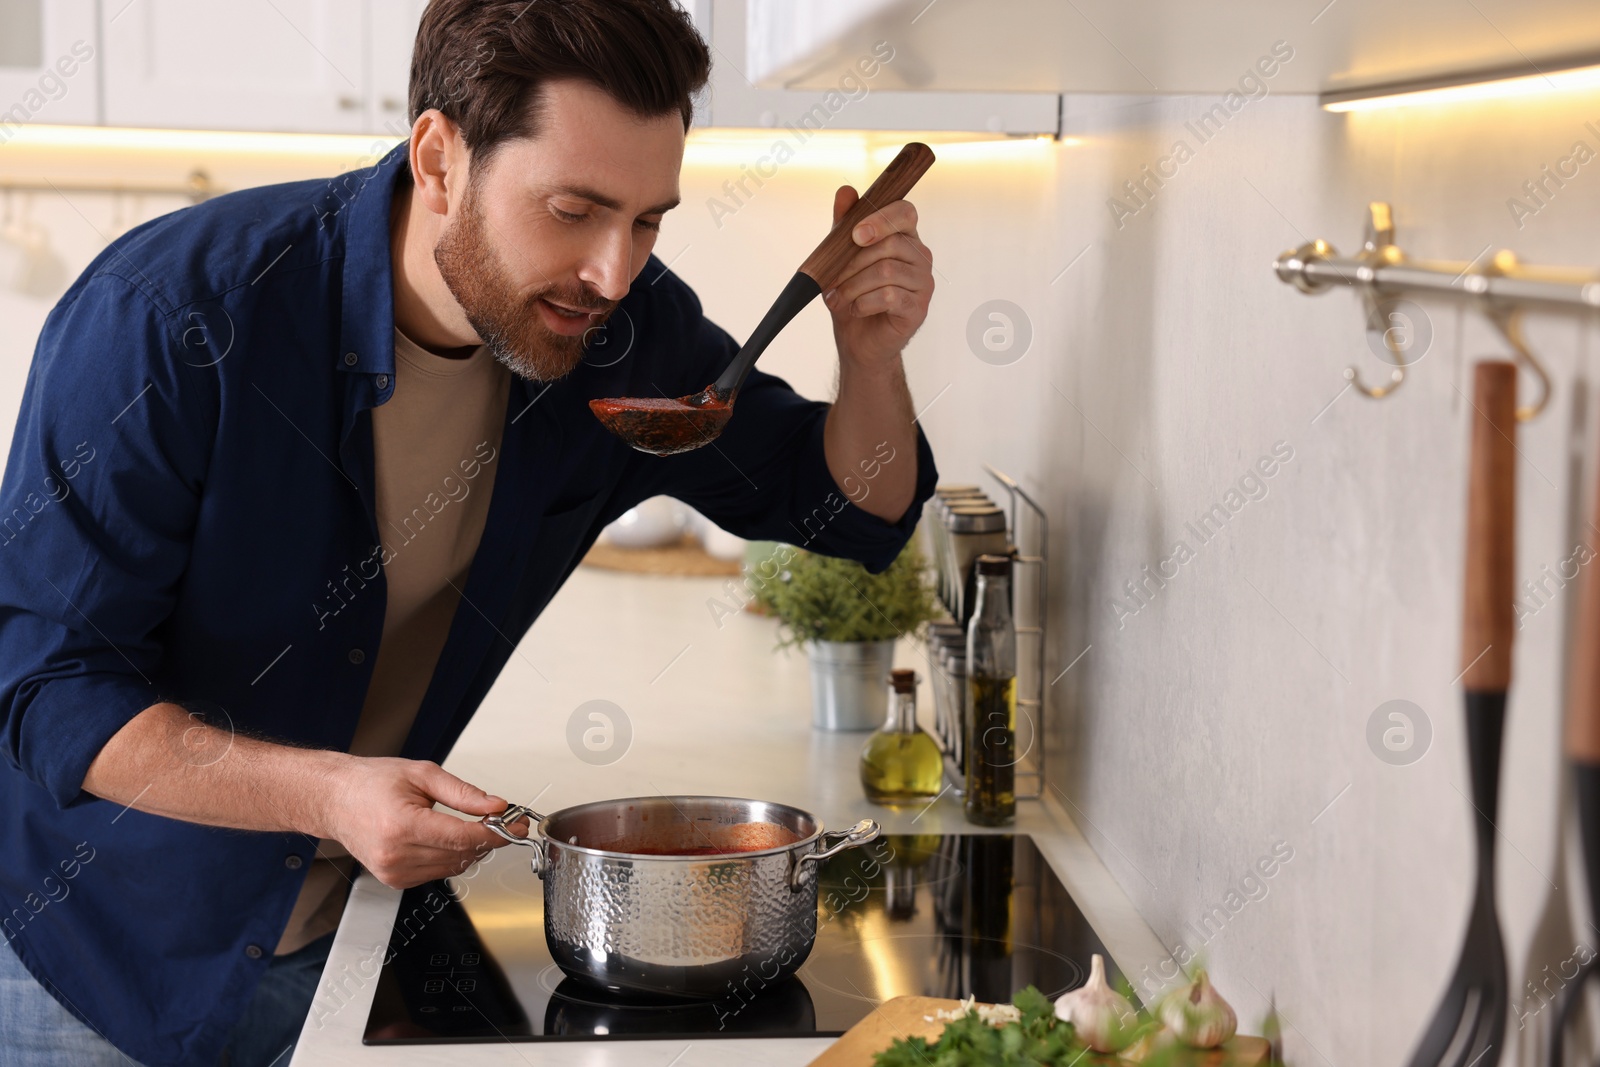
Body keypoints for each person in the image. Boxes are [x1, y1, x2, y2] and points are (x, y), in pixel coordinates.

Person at [0, 1, 938, 1064]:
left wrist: (871, 354)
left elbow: (852, 506)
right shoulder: (173, 315)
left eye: (648, 220)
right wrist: (327, 792)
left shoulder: (613, 327)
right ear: (440, 158)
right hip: (110, 958)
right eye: (574, 209)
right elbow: (47, 690)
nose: (614, 272)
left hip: (358, 930)